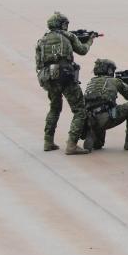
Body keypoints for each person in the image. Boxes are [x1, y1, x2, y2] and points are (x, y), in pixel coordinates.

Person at [35, 12, 97, 154]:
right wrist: (90, 40)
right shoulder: (68, 36)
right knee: (79, 110)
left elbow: (38, 64)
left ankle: (48, 141)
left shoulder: (42, 40)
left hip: (48, 79)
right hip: (66, 77)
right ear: (62, 24)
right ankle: (72, 144)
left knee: (55, 108)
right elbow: (82, 50)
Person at [83, 58, 128, 151]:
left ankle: (94, 138)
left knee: (98, 145)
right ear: (109, 70)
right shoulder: (114, 81)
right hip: (106, 117)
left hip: (90, 119)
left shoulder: (91, 82)